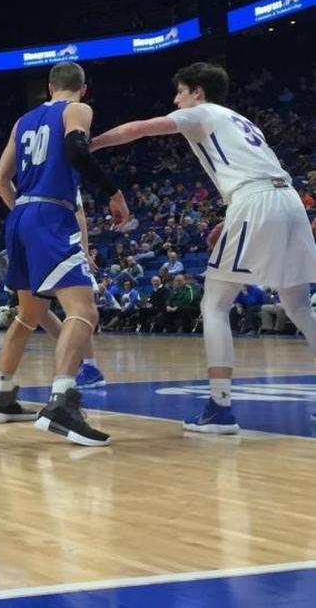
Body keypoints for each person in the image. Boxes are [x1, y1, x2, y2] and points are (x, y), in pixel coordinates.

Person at [92, 62, 316, 433]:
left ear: (197, 91)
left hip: (255, 201)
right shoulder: (243, 121)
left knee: (214, 302)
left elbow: (140, 129)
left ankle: (220, 408)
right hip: (289, 201)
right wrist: (227, 220)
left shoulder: (201, 113)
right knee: (297, 305)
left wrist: (92, 144)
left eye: (179, 91)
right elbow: (260, 175)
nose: (175, 100)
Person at [0, 61, 128, 446]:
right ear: (83, 88)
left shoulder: (22, 121)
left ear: (49, 87)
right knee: (84, 311)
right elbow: (77, 149)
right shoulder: (77, 109)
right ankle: (62, 403)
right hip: (51, 214)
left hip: (21, 216)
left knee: (29, 314)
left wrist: (23, 216)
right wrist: (113, 191)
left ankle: (2, 396)